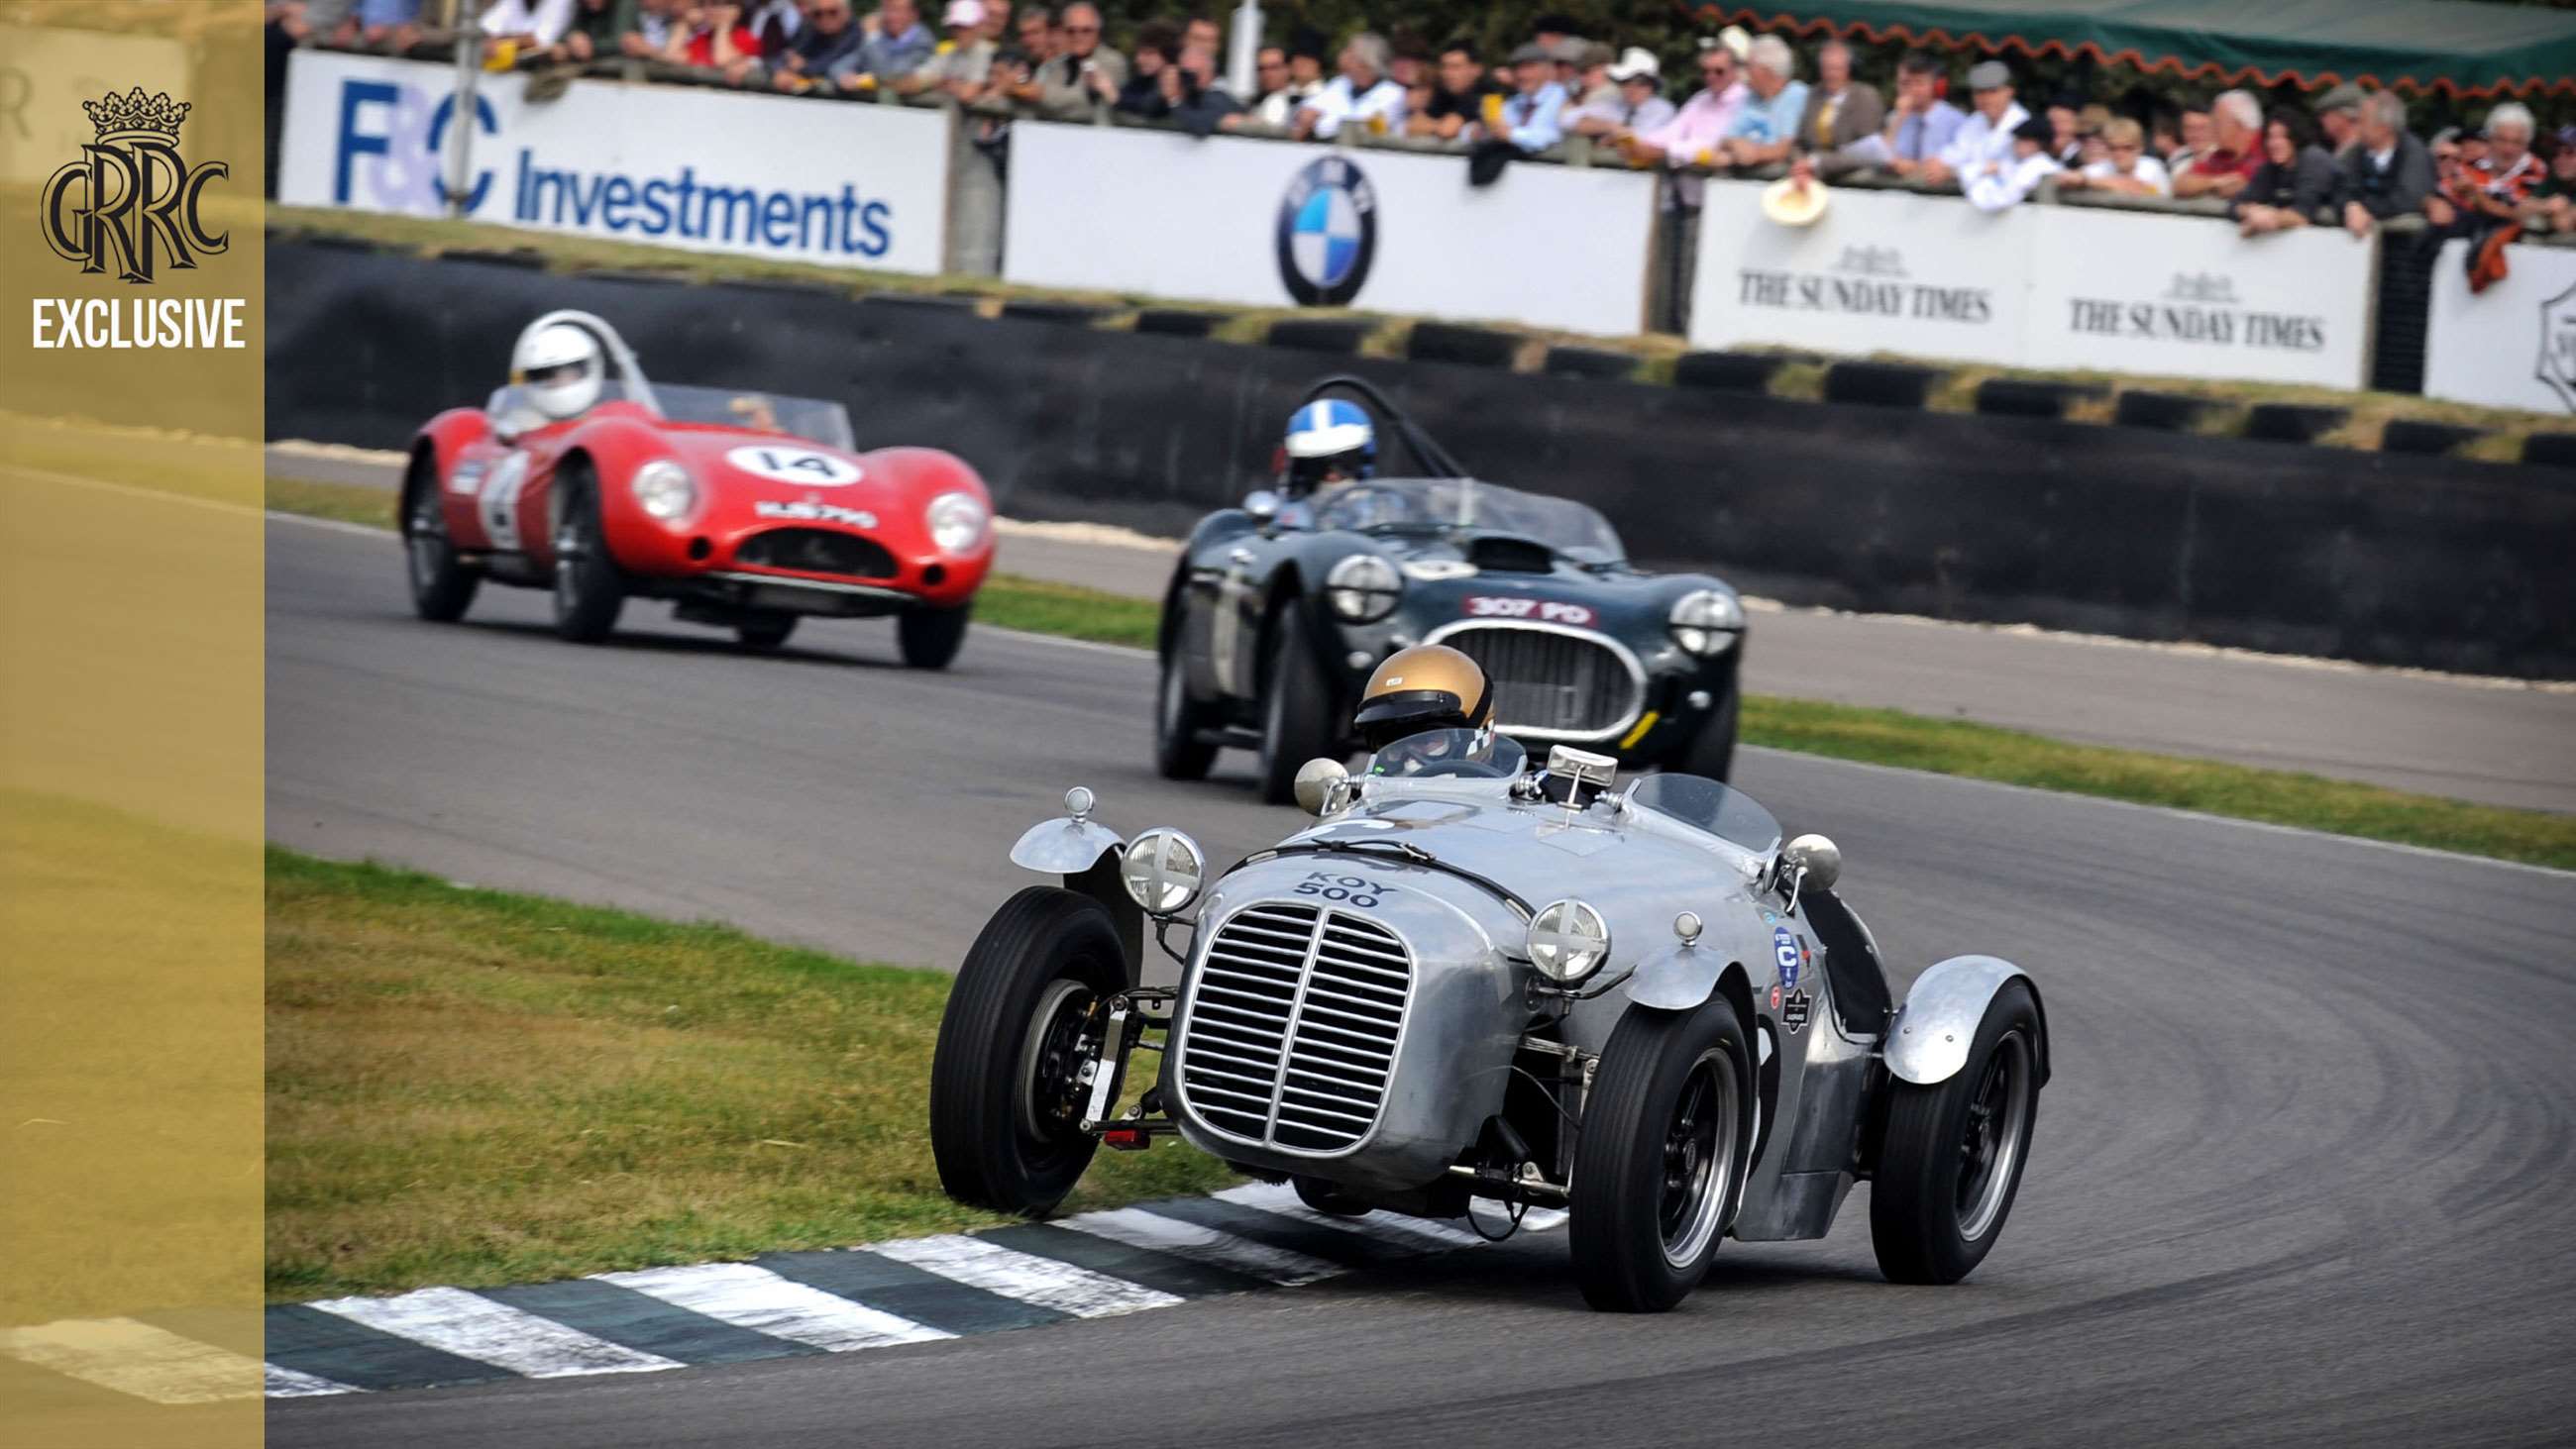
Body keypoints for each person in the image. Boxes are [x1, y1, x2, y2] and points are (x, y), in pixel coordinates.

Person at [1624, 39, 1747, 195]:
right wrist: (1637, 144)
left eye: (1719, 71)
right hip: (1685, 188)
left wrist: (1663, 151)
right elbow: (1674, 130)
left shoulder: (1745, 101)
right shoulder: (1701, 98)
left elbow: (1714, 144)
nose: (1711, 76)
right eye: (1705, 71)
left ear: (1735, 70)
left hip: (1721, 191)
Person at [1352, 645, 1495, 759]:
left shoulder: (1506, 785)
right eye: (1390, 743)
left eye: (1427, 740)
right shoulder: (1365, 785)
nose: (1409, 764)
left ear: (1476, 730)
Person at [2428, 102, 2542, 233]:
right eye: (2502, 140)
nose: (2508, 149)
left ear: (2527, 145)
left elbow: (2512, 213)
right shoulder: (2473, 163)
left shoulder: (2535, 170)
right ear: (2490, 140)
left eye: (2517, 142)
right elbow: (2440, 191)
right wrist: (2433, 202)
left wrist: (2475, 195)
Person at [2335, 90, 2435, 237]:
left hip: (2406, 242)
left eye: (2362, 121)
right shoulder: (2356, 152)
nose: (2358, 128)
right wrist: (2350, 205)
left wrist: (2363, 207)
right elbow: (2340, 187)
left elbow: (2408, 199)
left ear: (2383, 128)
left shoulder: (2415, 153)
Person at [1923, 59, 2025, 186]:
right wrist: (1937, 164)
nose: (1986, 98)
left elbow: (2006, 169)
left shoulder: (2023, 124)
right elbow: (1955, 153)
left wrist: (1954, 172)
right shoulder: (1975, 120)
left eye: (1993, 91)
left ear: (2009, 91)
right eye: (1979, 92)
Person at [2233, 111, 2338, 235]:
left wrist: (2267, 217)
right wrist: (2251, 212)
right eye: (2270, 137)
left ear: (2296, 138)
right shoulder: (2271, 168)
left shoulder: (2314, 160)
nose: (2274, 144)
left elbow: (2302, 214)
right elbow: (2236, 203)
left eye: (2281, 137)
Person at [1719, 34, 1808, 168]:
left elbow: (1785, 148)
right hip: (1743, 172)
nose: (1744, 72)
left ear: (1765, 70)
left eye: (1749, 66)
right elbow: (1724, 140)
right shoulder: (1751, 97)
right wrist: (1735, 145)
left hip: (1778, 175)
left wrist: (1754, 153)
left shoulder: (1795, 93)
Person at [1293, 32, 1404, 141]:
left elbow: (1371, 130)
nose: (1342, 55)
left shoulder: (1393, 93)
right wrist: (1306, 116)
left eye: (1349, 51)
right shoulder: (1339, 83)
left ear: (1364, 60)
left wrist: (1326, 122)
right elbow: (1308, 110)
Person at [1796, 38, 1883, 170]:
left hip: (1848, 174)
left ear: (1848, 69)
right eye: (1826, 69)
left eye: (1836, 69)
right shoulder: (1813, 95)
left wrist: (1816, 163)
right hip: (1806, 171)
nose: (1831, 74)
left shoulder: (1865, 97)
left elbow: (1867, 151)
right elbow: (1798, 141)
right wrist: (1800, 163)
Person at [1878, 50, 1964, 177]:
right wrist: (1898, 120)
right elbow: (1881, 157)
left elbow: (1963, 166)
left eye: (1919, 83)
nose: (1911, 90)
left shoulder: (1955, 120)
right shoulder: (1894, 117)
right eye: (1905, 83)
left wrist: (1914, 168)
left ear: (1936, 86)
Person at [1033, 0, 1126, 118]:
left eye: (1086, 31)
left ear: (1098, 32)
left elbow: (1083, 104)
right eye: (1071, 31)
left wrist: (1037, 94)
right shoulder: (1056, 65)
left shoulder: (1113, 61)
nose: (1078, 36)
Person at [509, 321, 606, 425]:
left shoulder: (610, 414)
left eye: (567, 371)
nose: (558, 380)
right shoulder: (516, 424)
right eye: (543, 375)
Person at [2173, 89, 2261, 199]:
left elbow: (2239, 188)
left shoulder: (2266, 151)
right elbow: (2180, 185)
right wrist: (2216, 182)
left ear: (2239, 124)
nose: (2213, 129)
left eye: (2218, 122)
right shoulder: (2220, 154)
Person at [1281, 400, 1375, 501]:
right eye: (1317, 465)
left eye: (1344, 463)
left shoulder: (1383, 505)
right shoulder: (1283, 508)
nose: (1332, 476)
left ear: (1364, 459)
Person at [1964, 113, 2060, 211]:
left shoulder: (2040, 165)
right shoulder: (2019, 163)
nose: (2017, 144)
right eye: (2018, 139)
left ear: (2040, 144)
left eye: (2024, 140)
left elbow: (2004, 198)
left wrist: (1988, 176)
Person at [1485, 42, 1567, 154]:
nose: (1521, 75)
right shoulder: (1517, 100)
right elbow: (1497, 127)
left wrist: (1511, 134)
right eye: (1518, 68)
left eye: (1529, 67)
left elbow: (1552, 137)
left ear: (1548, 70)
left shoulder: (1561, 97)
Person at [2057, 116, 2170, 197]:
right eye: (2113, 148)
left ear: (2140, 148)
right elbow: (2065, 179)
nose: (2119, 153)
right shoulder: (2101, 168)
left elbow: (2143, 191)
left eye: (2127, 148)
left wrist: (2092, 182)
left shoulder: (2153, 168)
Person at [1409, 39, 1498, 141]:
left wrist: (1435, 125)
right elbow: (1413, 125)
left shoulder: (1487, 94)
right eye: (1444, 67)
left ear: (1476, 70)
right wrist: (1440, 125)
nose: (1447, 74)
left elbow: (1447, 130)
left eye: (1455, 67)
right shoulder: (1444, 93)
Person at [767, 0, 863, 90]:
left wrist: (804, 67)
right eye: (818, 14)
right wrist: (780, 70)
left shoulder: (856, 34)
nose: (825, 18)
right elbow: (783, 54)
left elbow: (831, 63)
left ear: (846, 13)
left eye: (833, 12)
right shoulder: (809, 30)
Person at [1113, 21, 1181, 117]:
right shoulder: (1144, 79)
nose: (1138, 59)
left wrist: (1115, 97)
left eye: (1148, 53)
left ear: (1169, 55)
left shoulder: (1182, 81)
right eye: (1139, 53)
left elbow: (1151, 107)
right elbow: (1127, 94)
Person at [2314, 82, 2365, 155]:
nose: (2321, 119)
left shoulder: (2362, 153)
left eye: (2324, 114)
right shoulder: (2346, 149)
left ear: (2344, 114)